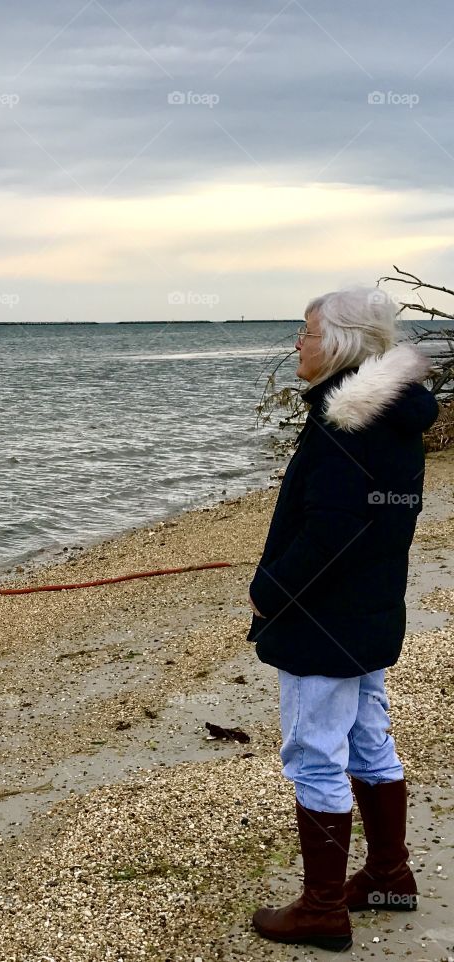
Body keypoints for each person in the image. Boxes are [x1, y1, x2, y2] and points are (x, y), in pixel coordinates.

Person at [246, 286, 439, 951]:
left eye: (304, 332)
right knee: (366, 741)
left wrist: (268, 590)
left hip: (324, 621)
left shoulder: (346, 421)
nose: (297, 344)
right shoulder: (390, 412)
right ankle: (389, 875)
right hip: (368, 612)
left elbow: (333, 533)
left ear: (338, 342)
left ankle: (324, 909)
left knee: (314, 754)